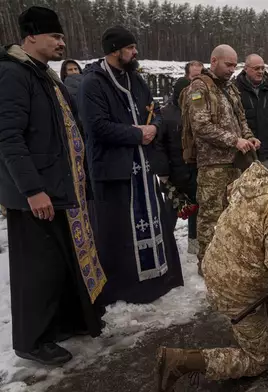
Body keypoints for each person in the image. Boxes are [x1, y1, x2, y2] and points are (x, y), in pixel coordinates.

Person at [156, 139, 268, 389]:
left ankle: (266, 317)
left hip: (220, 265)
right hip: (238, 287)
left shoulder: (259, 173)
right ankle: (181, 361)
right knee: (260, 359)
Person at [0, 6, 105, 365]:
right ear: (31, 36)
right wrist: (32, 189)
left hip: (61, 189)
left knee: (61, 264)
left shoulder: (43, 74)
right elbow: (9, 137)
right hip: (35, 195)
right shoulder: (14, 75)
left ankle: (63, 324)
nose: (62, 43)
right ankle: (31, 341)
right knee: (37, 271)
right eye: (55, 36)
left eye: (62, 36)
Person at [80, 26, 184, 305]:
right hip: (115, 172)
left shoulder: (136, 79)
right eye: (130, 47)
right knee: (120, 233)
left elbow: (156, 112)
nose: (135, 52)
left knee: (156, 223)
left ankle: (159, 280)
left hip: (144, 168)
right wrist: (138, 133)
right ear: (114, 50)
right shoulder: (92, 83)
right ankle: (127, 290)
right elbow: (97, 127)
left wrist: (153, 128)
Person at [183, 44, 261, 268]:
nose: (231, 69)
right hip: (213, 165)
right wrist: (234, 140)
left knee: (232, 214)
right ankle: (206, 264)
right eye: (228, 64)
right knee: (210, 216)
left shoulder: (231, 88)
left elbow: (241, 120)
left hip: (236, 163)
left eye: (235, 65)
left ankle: (226, 260)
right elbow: (201, 126)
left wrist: (249, 137)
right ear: (214, 61)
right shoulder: (199, 88)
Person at [157, 77, 198, 254]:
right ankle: (165, 240)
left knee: (196, 205)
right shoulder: (166, 113)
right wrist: (163, 171)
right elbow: (158, 145)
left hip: (194, 166)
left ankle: (194, 241)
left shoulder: (196, 110)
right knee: (173, 206)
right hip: (173, 168)